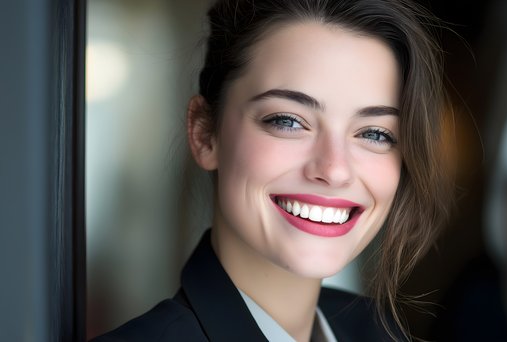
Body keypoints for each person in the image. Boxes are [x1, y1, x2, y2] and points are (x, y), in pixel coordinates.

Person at [92, 0, 453, 340]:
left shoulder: (375, 331)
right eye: (288, 121)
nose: (334, 169)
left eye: (374, 133)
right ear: (205, 133)